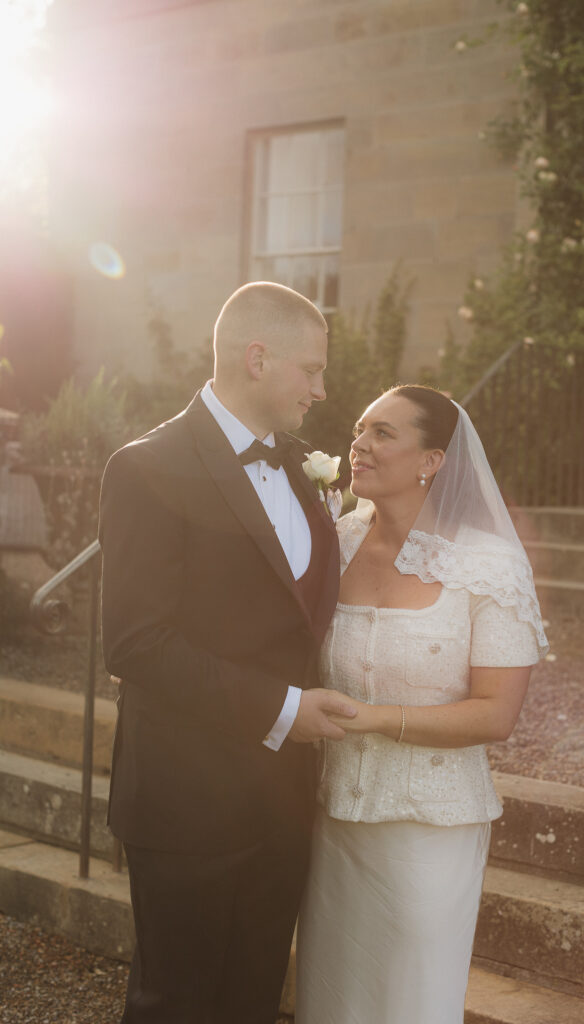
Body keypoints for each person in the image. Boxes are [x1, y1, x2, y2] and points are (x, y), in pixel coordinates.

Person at [98, 281, 356, 1024]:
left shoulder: (304, 468)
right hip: (187, 803)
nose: (321, 389)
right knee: (176, 1007)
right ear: (256, 358)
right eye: (311, 370)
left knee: (252, 1002)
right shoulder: (145, 467)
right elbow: (136, 642)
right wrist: (285, 709)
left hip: (284, 804)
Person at [296, 384, 549, 1024]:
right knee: (332, 1000)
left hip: (429, 834)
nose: (359, 444)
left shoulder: (489, 565)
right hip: (334, 822)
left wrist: (377, 718)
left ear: (432, 461)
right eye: (360, 428)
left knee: (411, 1002)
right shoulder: (334, 541)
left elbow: (497, 713)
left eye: (383, 433)